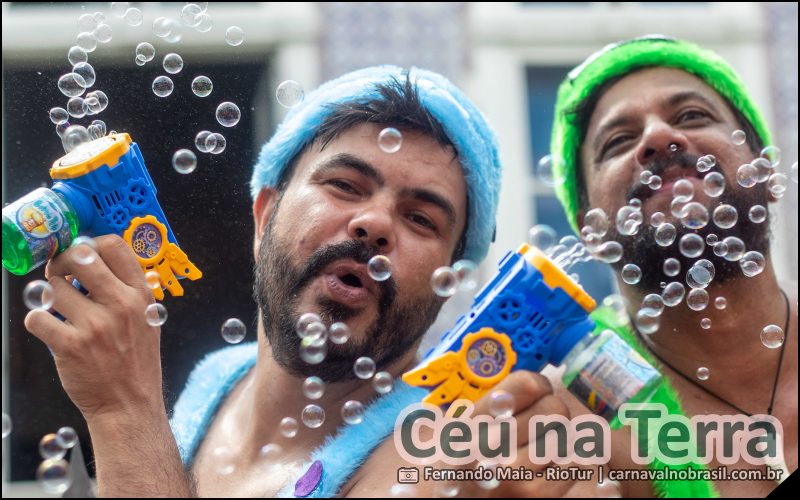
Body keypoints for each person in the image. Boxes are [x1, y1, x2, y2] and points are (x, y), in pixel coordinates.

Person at [26, 65, 575, 498]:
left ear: (450, 279)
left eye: (421, 219)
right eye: (344, 184)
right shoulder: (216, 379)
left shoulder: (439, 461)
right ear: (264, 217)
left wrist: (123, 409)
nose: (376, 223)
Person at [546, 35, 798, 497]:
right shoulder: (561, 421)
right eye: (618, 141)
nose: (659, 137)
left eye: (692, 116)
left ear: (764, 169)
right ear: (589, 229)